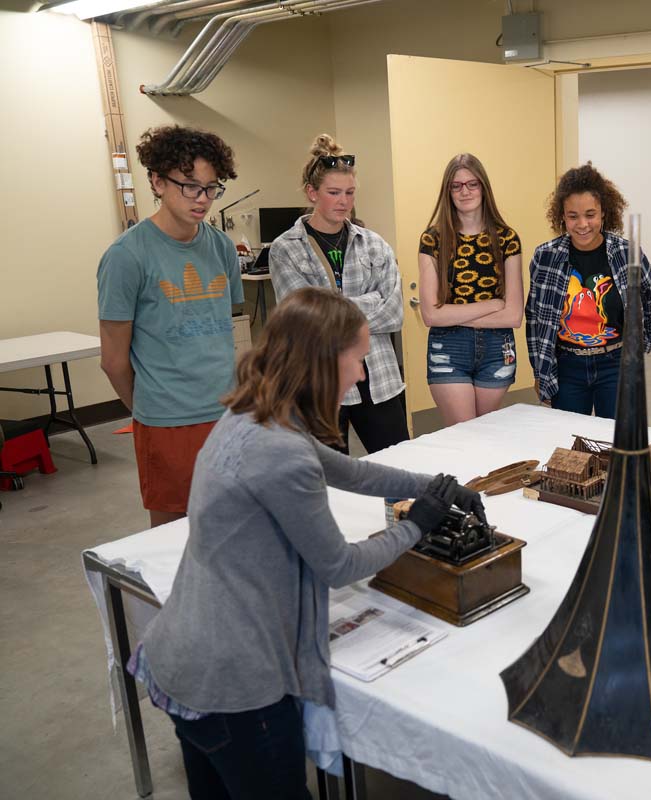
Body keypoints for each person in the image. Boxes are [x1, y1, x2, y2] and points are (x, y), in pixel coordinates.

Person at [127, 288, 485, 798]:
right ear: (322, 362)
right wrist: (416, 526)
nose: (361, 375)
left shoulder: (251, 417)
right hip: (237, 683)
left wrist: (432, 485)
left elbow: (352, 471)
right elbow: (339, 565)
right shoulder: (282, 453)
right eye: (357, 360)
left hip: (185, 657)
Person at [98, 125, 244, 528]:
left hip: (226, 413)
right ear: (157, 181)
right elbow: (113, 360)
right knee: (173, 539)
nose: (203, 200)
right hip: (167, 422)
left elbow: (223, 331)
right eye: (190, 187)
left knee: (231, 528)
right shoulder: (127, 256)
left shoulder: (221, 247)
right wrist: (151, 410)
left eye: (212, 188)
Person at [270, 134, 410, 454]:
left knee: (399, 465)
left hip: (379, 378)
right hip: (320, 383)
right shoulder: (286, 250)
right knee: (328, 480)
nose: (343, 201)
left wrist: (331, 307)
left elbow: (394, 312)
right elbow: (306, 323)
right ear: (312, 192)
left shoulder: (374, 244)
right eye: (334, 193)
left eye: (349, 193)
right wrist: (370, 299)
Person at [526, 162, 651, 418]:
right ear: (562, 216)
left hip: (616, 365)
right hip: (567, 366)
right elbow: (534, 318)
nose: (582, 224)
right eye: (573, 216)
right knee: (568, 443)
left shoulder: (626, 253)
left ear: (603, 213)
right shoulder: (545, 257)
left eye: (590, 214)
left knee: (614, 444)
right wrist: (540, 371)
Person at [418, 154, 524, 425]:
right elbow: (430, 315)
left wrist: (452, 313)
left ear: (483, 187)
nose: (464, 191)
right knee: (465, 435)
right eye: (456, 186)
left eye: (472, 184)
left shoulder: (507, 239)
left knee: (485, 433)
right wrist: (492, 304)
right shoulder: (433, 240)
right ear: (448, 192)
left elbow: (513, 316)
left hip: (497, 348)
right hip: (449, 346)